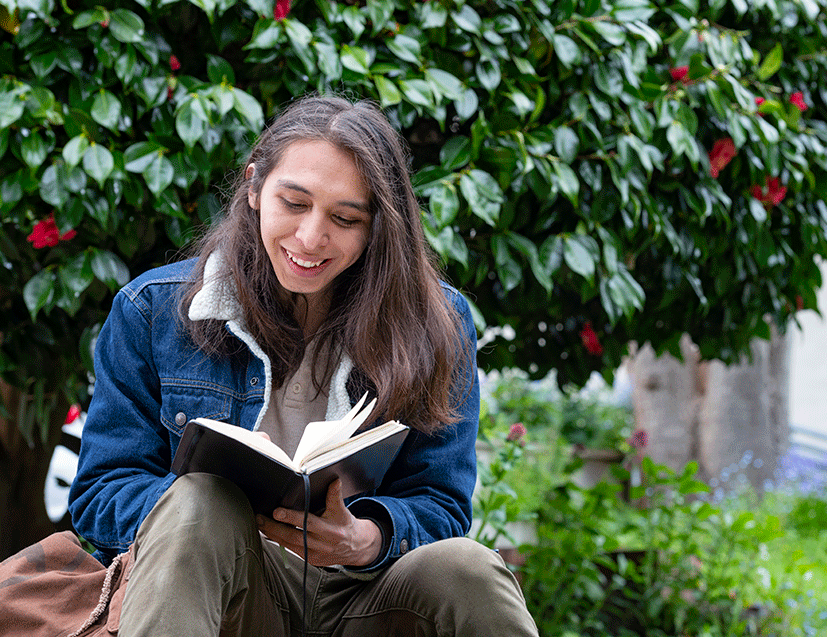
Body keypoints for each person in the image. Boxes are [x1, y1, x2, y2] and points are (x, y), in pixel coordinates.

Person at [68, 94, 538, 637]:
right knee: (200, 502)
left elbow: (440, 504)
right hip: (223, 586)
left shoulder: (436, 324)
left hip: (361, 595)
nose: (311, 238)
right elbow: (102, 491)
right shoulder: (152, 312)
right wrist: (220, 516)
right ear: (253, 187)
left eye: (344, 219)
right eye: (293, 203)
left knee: (469, 567)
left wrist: (366, 538)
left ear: (376, 227)